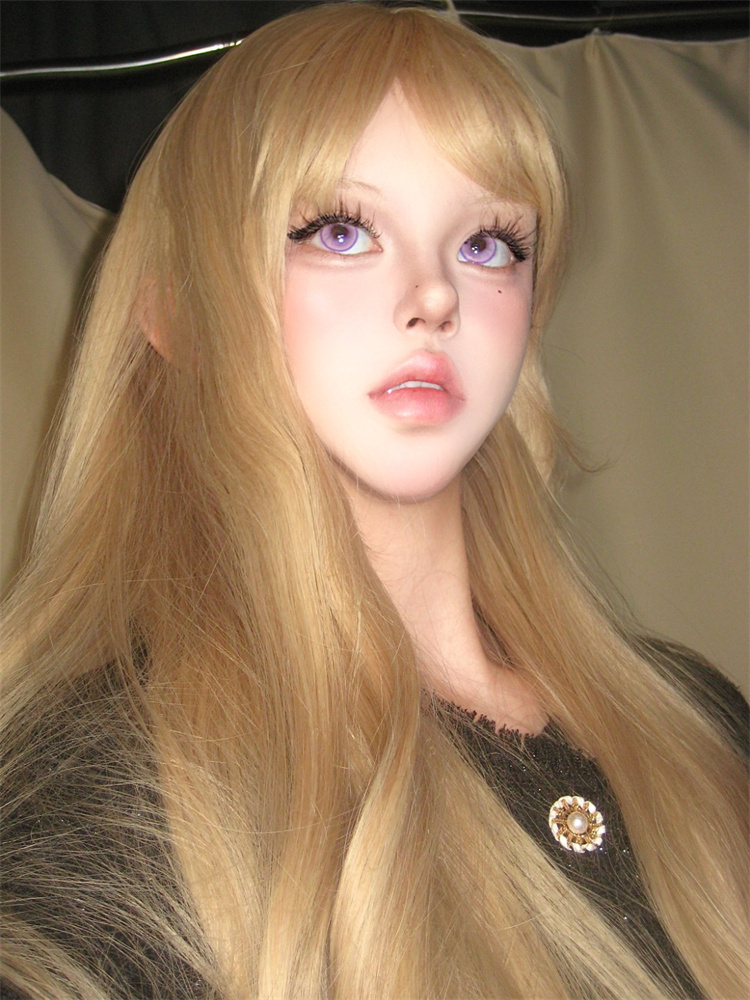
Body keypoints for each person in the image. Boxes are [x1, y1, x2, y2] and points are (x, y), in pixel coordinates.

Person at [1, 4, 747, 999]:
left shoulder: (699, 723)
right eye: (340, 230)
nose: (435, 296)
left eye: (489, 244)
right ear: (172, 308)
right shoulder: (107, 799)